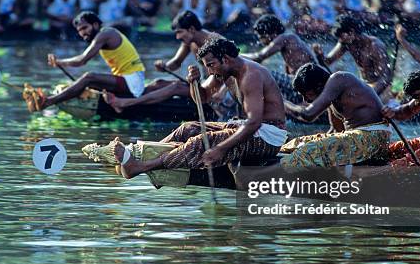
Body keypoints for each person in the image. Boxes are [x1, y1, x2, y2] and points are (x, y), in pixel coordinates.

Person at [109, 37, 288, 179]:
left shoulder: (251, 75)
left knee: (202, 142)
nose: (209, 72)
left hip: (268, 136)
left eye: (210, 65)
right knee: (188, 128)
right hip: (249, 127)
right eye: (206, 66)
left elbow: (254, 123)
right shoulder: (224, 70)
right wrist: (194, 82)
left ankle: (139, 167)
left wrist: (220, 148)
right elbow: (202, 98)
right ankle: (143, 155)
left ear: (225, 59)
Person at [23, 11, 146, 112]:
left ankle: (48, 101)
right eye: (79, 31)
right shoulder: (102, 36)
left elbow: (82, 60)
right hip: (127, 79)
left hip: (133, 81)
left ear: (96, 25)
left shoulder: (106, 34)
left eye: (84, 28)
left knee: (89, 77)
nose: (82, 33)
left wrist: (60, 62)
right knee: (83, 83)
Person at [103, 10, 220, 113]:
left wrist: (221, 93)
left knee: (176, 87)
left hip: (215, 90)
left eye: (179, 32)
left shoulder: (214, 41)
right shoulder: (190, 41)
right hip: (203, 84)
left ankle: (126, 103)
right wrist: (164, 66)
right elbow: (175, 63)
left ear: (192, 29)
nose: (177, 37)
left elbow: (231, 69)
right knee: (158, 83)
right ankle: (129, 97)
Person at [281, 63, 391, 167]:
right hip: (355, 137)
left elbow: (308, 114)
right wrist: (318, 142)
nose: (306, 100)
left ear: (318, 86)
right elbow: (335, 130)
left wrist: (283, 103)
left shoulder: (338, 79)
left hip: (373, 137)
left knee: (306, 151)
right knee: (297, 143)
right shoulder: (330, 94)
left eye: (307, 94)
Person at [312, 15, 393, 100]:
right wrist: (319, 55)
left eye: (341, 37)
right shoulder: (346, 42)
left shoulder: (375, 46)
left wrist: (369, 95)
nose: (340, 40)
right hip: (364, 85)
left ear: (351, 32)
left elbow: (385, 78)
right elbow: (327, 62)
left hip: (381, 89)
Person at [244, 14, 317, 102]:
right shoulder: (290, 42)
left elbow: (258, 57)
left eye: (261, 37)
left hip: (306, 83)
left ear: (270, 33)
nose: (260, 41)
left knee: (259, 72)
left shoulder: (284, 38)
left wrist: (235, 54)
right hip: (305, 84)